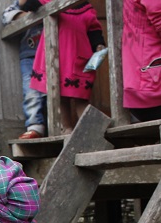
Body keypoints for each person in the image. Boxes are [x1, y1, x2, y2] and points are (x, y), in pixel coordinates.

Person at [21, 0, 105, 135]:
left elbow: (94, 30)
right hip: (56, 57)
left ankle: (91, 132)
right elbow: (29, 5)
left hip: (79, 57)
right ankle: (66, 129)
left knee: (81, 97)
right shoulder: (51, 1)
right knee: (60, 97)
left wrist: (99, 44)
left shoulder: (86, 7)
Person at [3, 2, 48, 140]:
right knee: (31, 92)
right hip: (30, 54)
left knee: (54, 91)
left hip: (53, 52)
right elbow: (6, 16)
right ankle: (35, 126)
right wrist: (28, 15)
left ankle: (58, 125)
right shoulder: (21, 4)